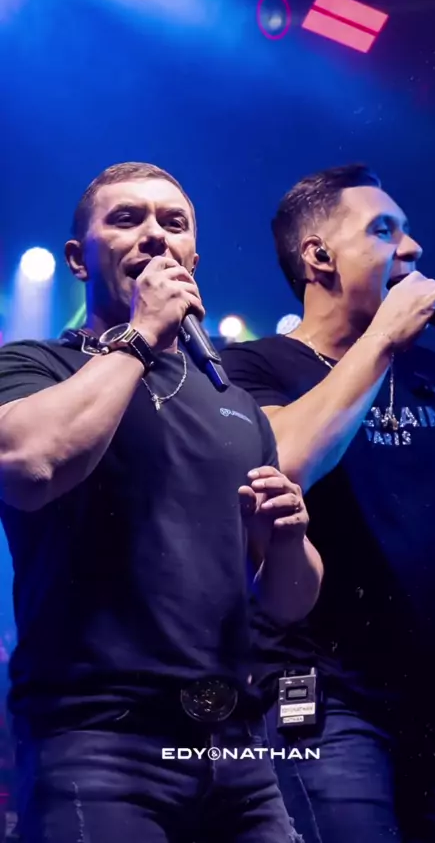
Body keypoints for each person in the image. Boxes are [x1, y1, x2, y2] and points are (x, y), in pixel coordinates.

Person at [0, 161, 323, 843]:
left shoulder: (238, 407)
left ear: (192, 259)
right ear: (77, 259)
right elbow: (30, 465)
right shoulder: (35, 366)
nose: (155, 235)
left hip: (236, 750)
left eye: (173, 223)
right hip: (96, 741)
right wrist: (141, 334)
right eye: (127, 219)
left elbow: (287, 600)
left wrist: (291, 536)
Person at [221, 164, 435, 843]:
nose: (413, 247)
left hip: (434, 708)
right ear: (319, 257)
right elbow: (286, 462)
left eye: (408, 230)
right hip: (320, 701)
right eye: (384, 230)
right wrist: (384, 337)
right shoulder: (253, 367)